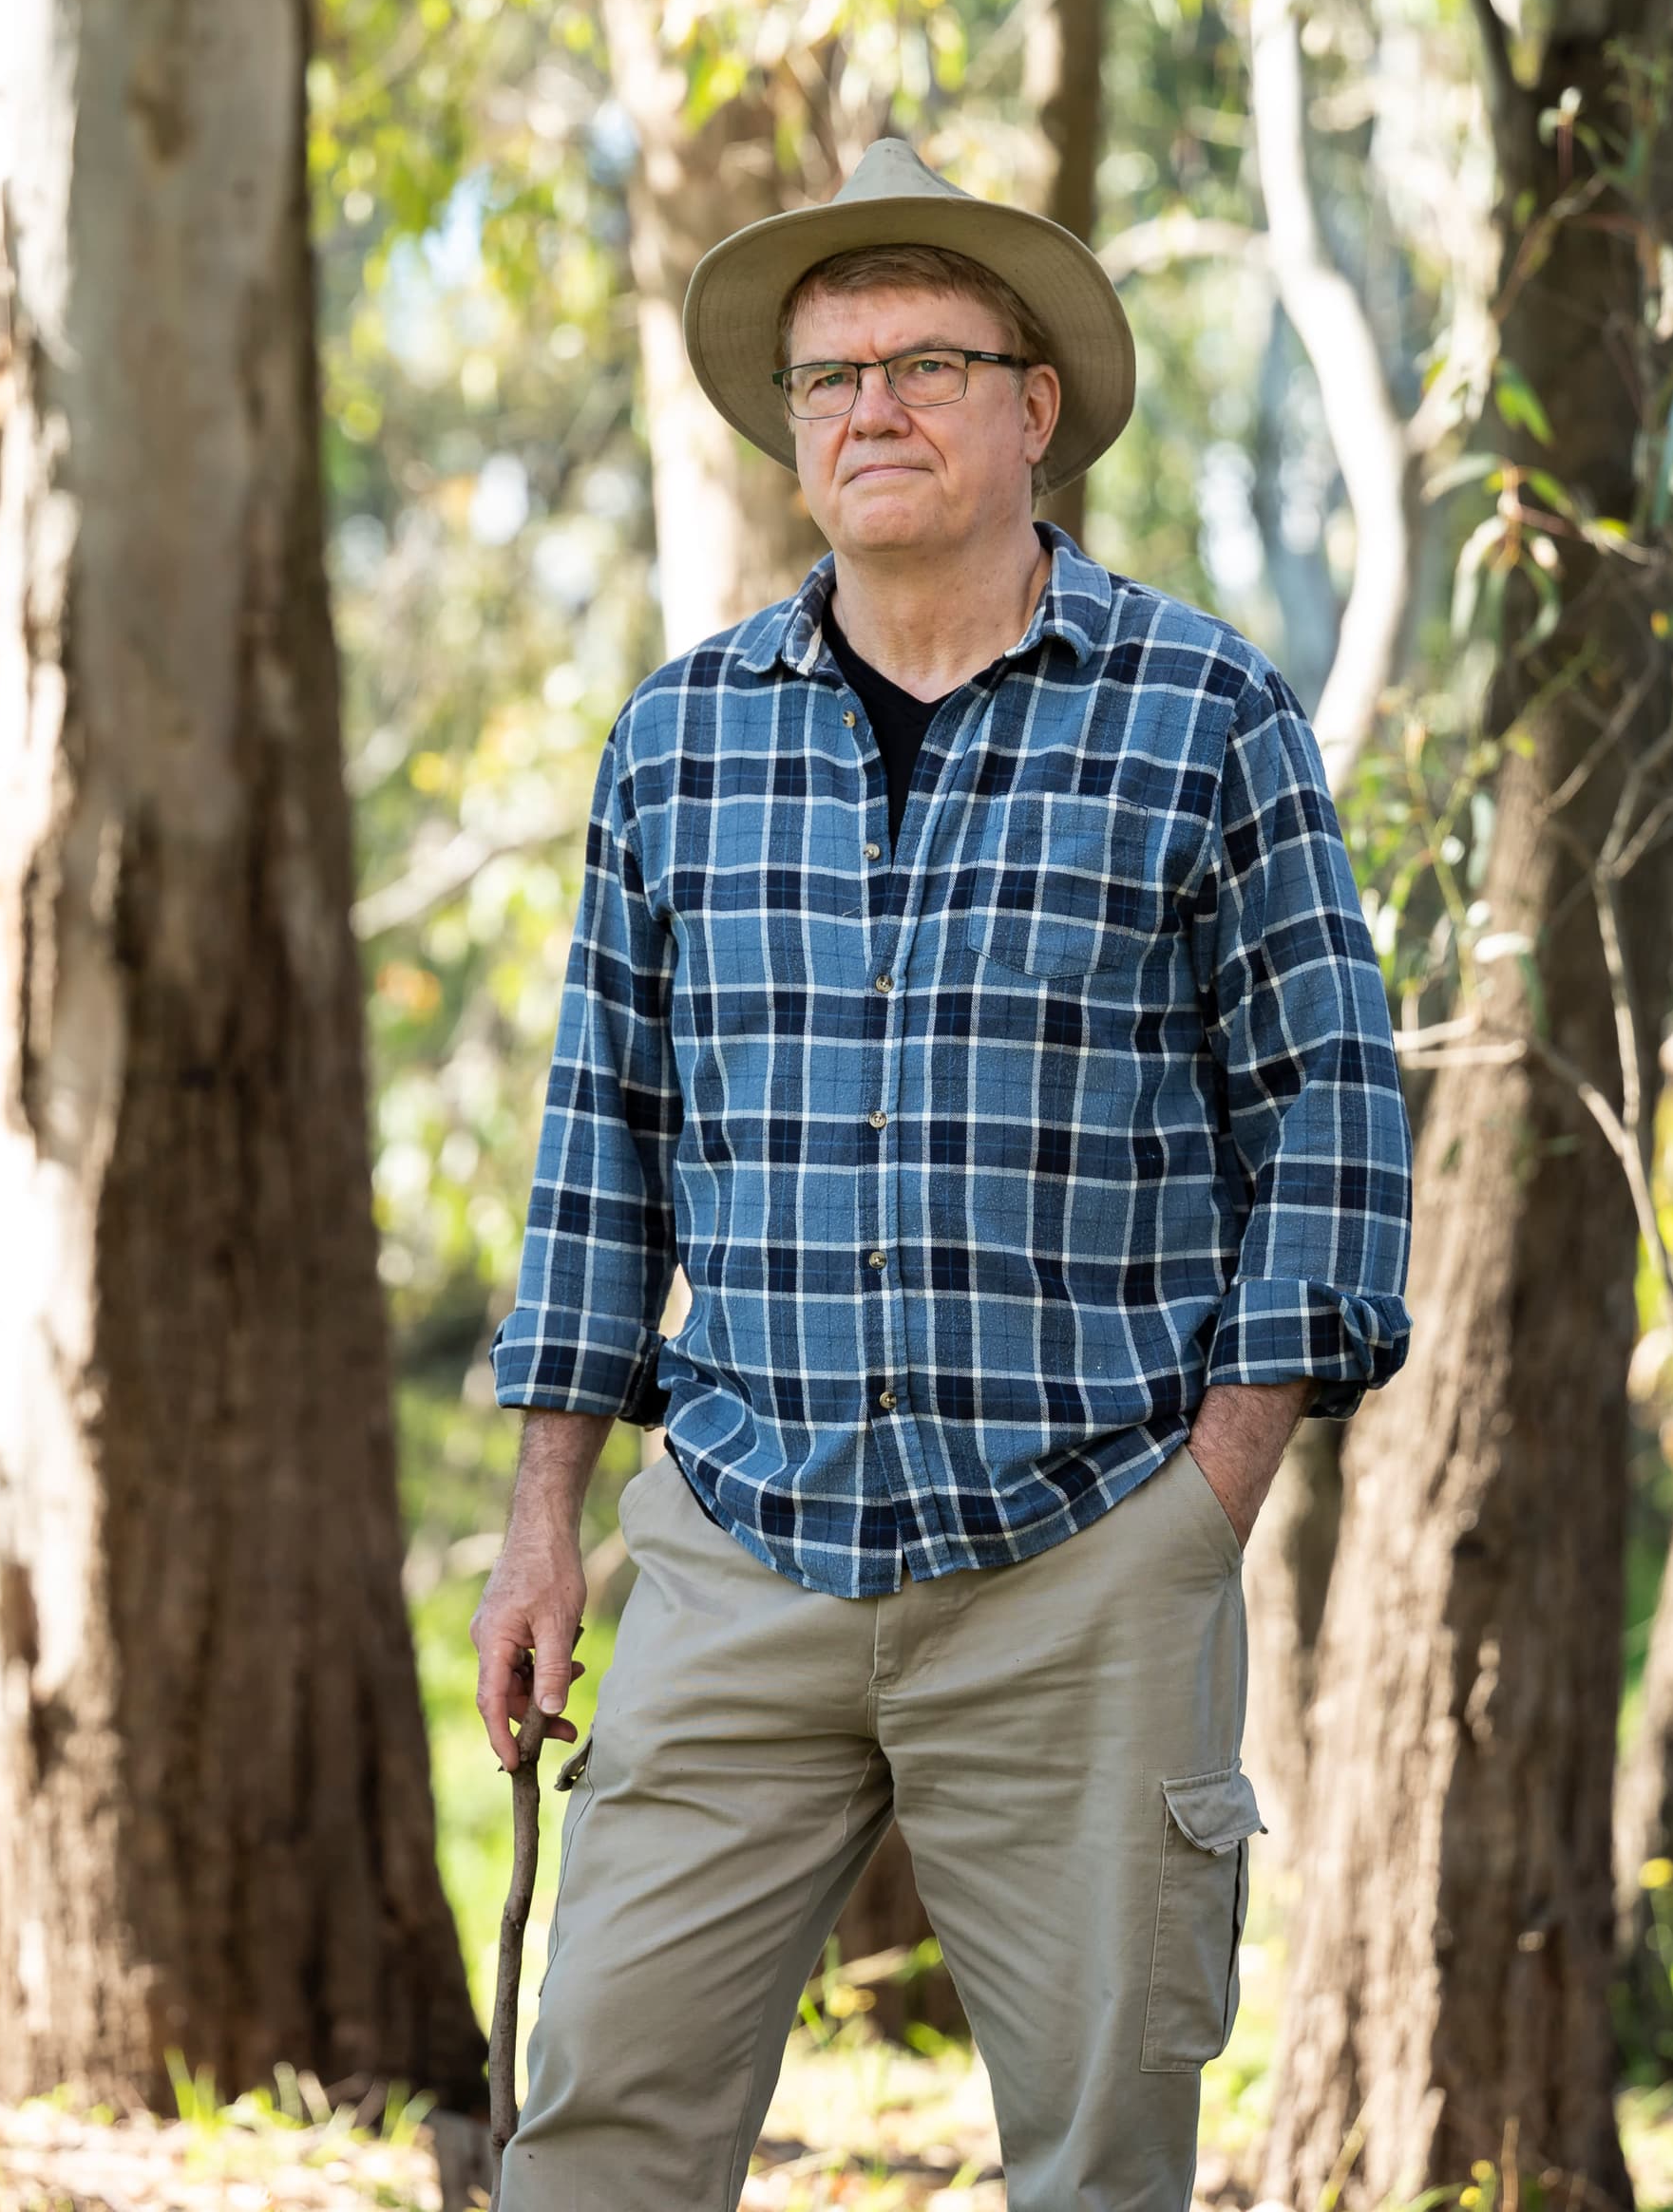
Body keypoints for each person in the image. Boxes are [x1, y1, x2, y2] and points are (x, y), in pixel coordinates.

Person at [470, 139, 1416, 2210]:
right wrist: (545, 1520)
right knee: (594, 2130)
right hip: (739, 1547)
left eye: (920, 361)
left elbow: (1331, 1126)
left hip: (1083, 1561)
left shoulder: (1205, 715)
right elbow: (597, 1153)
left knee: (1094, 2163)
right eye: (827, 378)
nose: (869, 407)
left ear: (1031, 404)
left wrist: (1201, 1509)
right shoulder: (681, 739)